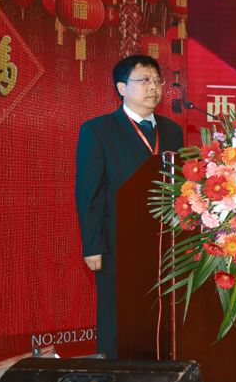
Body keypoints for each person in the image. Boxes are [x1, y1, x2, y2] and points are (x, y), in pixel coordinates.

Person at [76, 55, 183, 358]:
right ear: (121, 88)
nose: (154, 87)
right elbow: (89, 192)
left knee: (160, 312)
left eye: (157, 81)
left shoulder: (172, 131)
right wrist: (93, 245)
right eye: (144, 80)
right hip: (117, 240)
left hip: (165, 242)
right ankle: (113, 373)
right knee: (117, 314)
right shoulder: (98, 130)